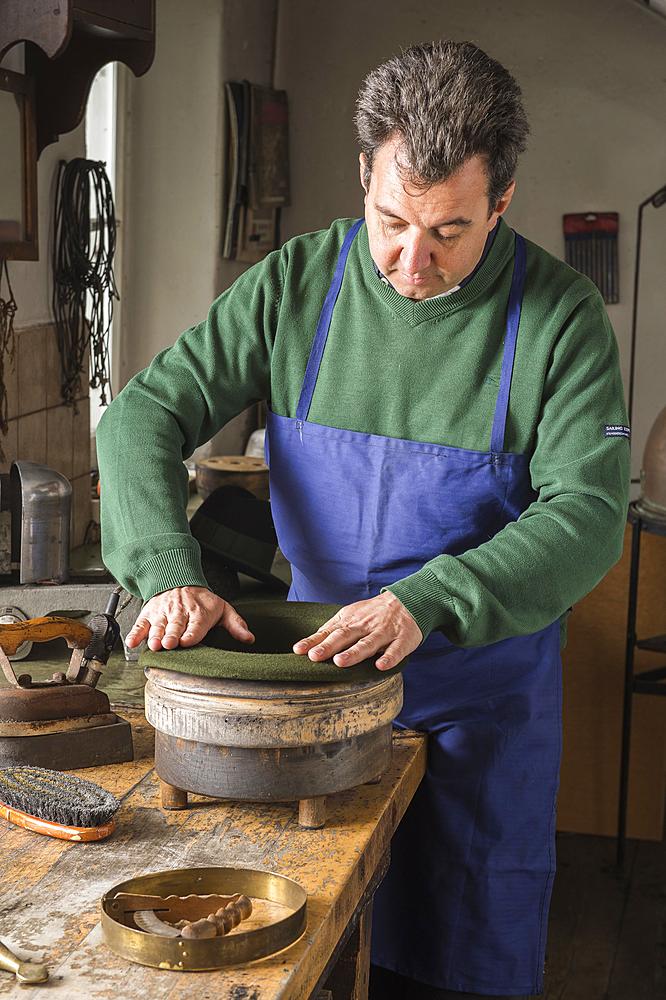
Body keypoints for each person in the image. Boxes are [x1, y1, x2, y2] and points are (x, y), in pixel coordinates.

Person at [97, 40, 630, 999]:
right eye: (390, 222)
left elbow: (589, 511)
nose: (411, 264)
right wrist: (168, 566)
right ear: (363, 176)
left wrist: (429, 599)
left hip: (481, 713)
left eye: (449, 232)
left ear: (501, 202)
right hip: (309, 705)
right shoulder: (296, 284)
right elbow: (143, 413)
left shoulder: (562, 315)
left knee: (459, 963)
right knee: (303, 949)